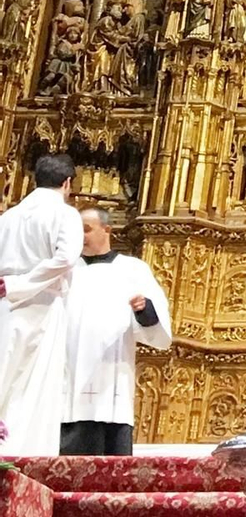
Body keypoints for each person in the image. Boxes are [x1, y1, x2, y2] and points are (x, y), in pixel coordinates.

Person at [61, 208, 171, 455]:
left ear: (107, 230)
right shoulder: (65, 270)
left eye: (87, 230)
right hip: (68, 380)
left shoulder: (133, 269)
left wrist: (144, 309)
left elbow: (158, 329)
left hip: (112, 378)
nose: (81, 236)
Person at [0, 153, 84, 455]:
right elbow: (66, 258)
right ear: (67, 183)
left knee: (5, 373)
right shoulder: (65, 214)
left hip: (4, 302)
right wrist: (20, 284)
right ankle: (23, 454)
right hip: (42, 304)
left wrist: (10, 284)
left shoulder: (8, 216)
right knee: (35, 381)